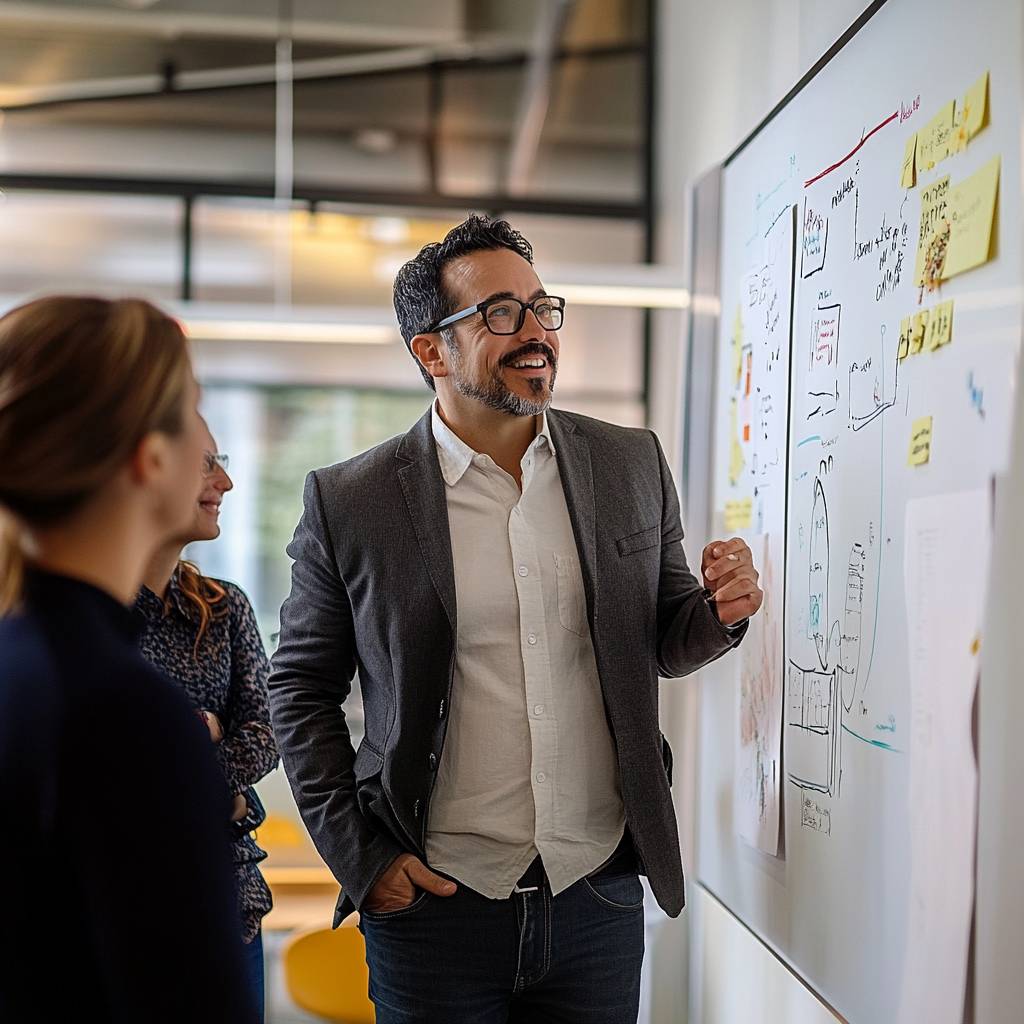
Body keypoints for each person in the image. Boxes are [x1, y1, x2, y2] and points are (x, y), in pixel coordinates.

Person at [269, 215, 764, 1023]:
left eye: (542, 307)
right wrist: (363, 860)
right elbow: (297, 689)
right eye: (501, 312)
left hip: (595, 899)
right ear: (431, 350)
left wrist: (717, 611)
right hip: (434, 910)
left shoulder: (628, 460)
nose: (536, 332)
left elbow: (665, 636)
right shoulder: (352, 501)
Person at [0, 296, 256, 1023]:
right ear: (150, 458)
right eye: (195, 413)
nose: (218, 465)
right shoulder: (124, 713)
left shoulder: (23, 658)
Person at [136, 428, 278, 1019]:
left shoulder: (223, 606)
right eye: (206, 465)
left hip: (226, 902)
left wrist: (191, 773)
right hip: (119, 903)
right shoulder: (83, 620)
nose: (225, 482)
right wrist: (226, 792)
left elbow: (266, 735)